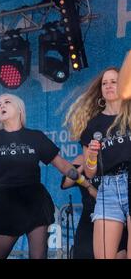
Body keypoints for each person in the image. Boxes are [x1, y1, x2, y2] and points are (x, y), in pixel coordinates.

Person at [0, 93, 92, 259]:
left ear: (19, 109)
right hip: (7, 204)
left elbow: (63, 165)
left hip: (35, 202)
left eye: (7, 102)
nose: (1, 106)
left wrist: (88, 186)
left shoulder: (35, 137)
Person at [65, 67, 131, 259]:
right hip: (108, 188)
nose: (109, 86)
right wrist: (92, 156)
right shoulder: (94, 125)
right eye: (105, 83)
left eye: (114, 81)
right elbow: (90, 172)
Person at [60, 155, 127, 258]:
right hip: (89, 215)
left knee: (119, 253)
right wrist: (85, 164)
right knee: (83, 252)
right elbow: (65, 183)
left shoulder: (112, 157)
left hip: (112, 216)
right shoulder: (81, 158)